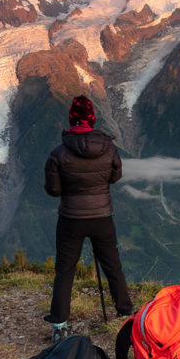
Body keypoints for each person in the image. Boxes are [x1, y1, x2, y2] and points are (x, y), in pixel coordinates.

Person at [44, 94, 133, 342]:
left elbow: (53, 190)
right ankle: (125, 313)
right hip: (102, 216)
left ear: (72, 118)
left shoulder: (58, 152)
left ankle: (59, 324)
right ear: (92, 119)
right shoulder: (109, 148)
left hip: (70, 218)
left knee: (65, 270)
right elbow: (115, 177)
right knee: (112, 266)